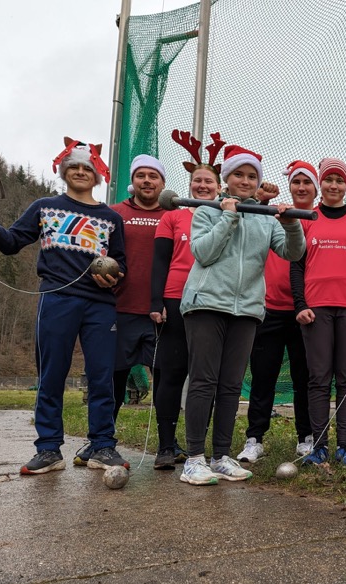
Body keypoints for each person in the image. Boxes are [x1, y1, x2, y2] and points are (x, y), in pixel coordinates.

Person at [0, 138, 128, 474]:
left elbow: (121, 265)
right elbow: (11, 243)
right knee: (51, 375)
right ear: (65, 172)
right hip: (56, 299)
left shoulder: (111, 218)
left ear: (99, 175)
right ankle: (49, 449)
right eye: (75, 167)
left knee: (102, 378)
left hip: (100, 306)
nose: (82, 171)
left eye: (88, 168)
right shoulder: (44, 206)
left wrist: (113, 277)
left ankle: (103, 446)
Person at [179, 145, 305, 486]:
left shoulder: (265, 217)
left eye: (252, 176)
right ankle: (193, 458)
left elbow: (293, 251)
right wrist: (229, 216)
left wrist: (291, 225)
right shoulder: (206, 210)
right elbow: (203, 253)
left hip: (247, 309)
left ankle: (221, 456)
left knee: (232, 385)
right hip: (206, 304)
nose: (245, 181)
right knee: (204, 381)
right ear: (226, 180)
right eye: (238, 174)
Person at [290, 158, 346, 467]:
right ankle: (320, 446)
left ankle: (344, 446)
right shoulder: (306, 218)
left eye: (339, 180)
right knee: (318, 378)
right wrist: (300, 305)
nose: (333, 185)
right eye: (328, 180)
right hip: (316, 309)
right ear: (320, 185)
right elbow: (297, 265)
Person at [148, 130, 225, 470]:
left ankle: (200, 446)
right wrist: (157, 302)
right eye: (198, 181)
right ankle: (167, 445)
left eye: (209, 181)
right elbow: (160, 262)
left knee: (206, 377)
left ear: (219, 187)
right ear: (190, 184)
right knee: (172, 373)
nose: (203, 186)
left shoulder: (227, 214)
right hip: (176, 300)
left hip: (211, 302)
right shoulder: (172, 216)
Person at [237, 160, 316, 464]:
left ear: (315, 188)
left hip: (304, 312)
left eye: (307, 182)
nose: (301, 187)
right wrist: (261, 199)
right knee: (263, 376)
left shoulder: (317, 220)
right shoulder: (271, 214)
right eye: (296, 182)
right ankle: (254, 438)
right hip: (268, 308)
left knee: (304, 377)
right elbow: (246, 217)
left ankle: (306, 437)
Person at [108, 155, 167, 433]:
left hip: (162, 312)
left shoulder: (172, 216)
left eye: (153, 176)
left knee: (165, 381)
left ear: (162, 182)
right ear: (133, 181)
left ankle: (168, 445)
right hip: (120, 309)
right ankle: (102, 441)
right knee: (114, 380)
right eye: (141, 175)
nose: (147, 180)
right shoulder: (114, 213)